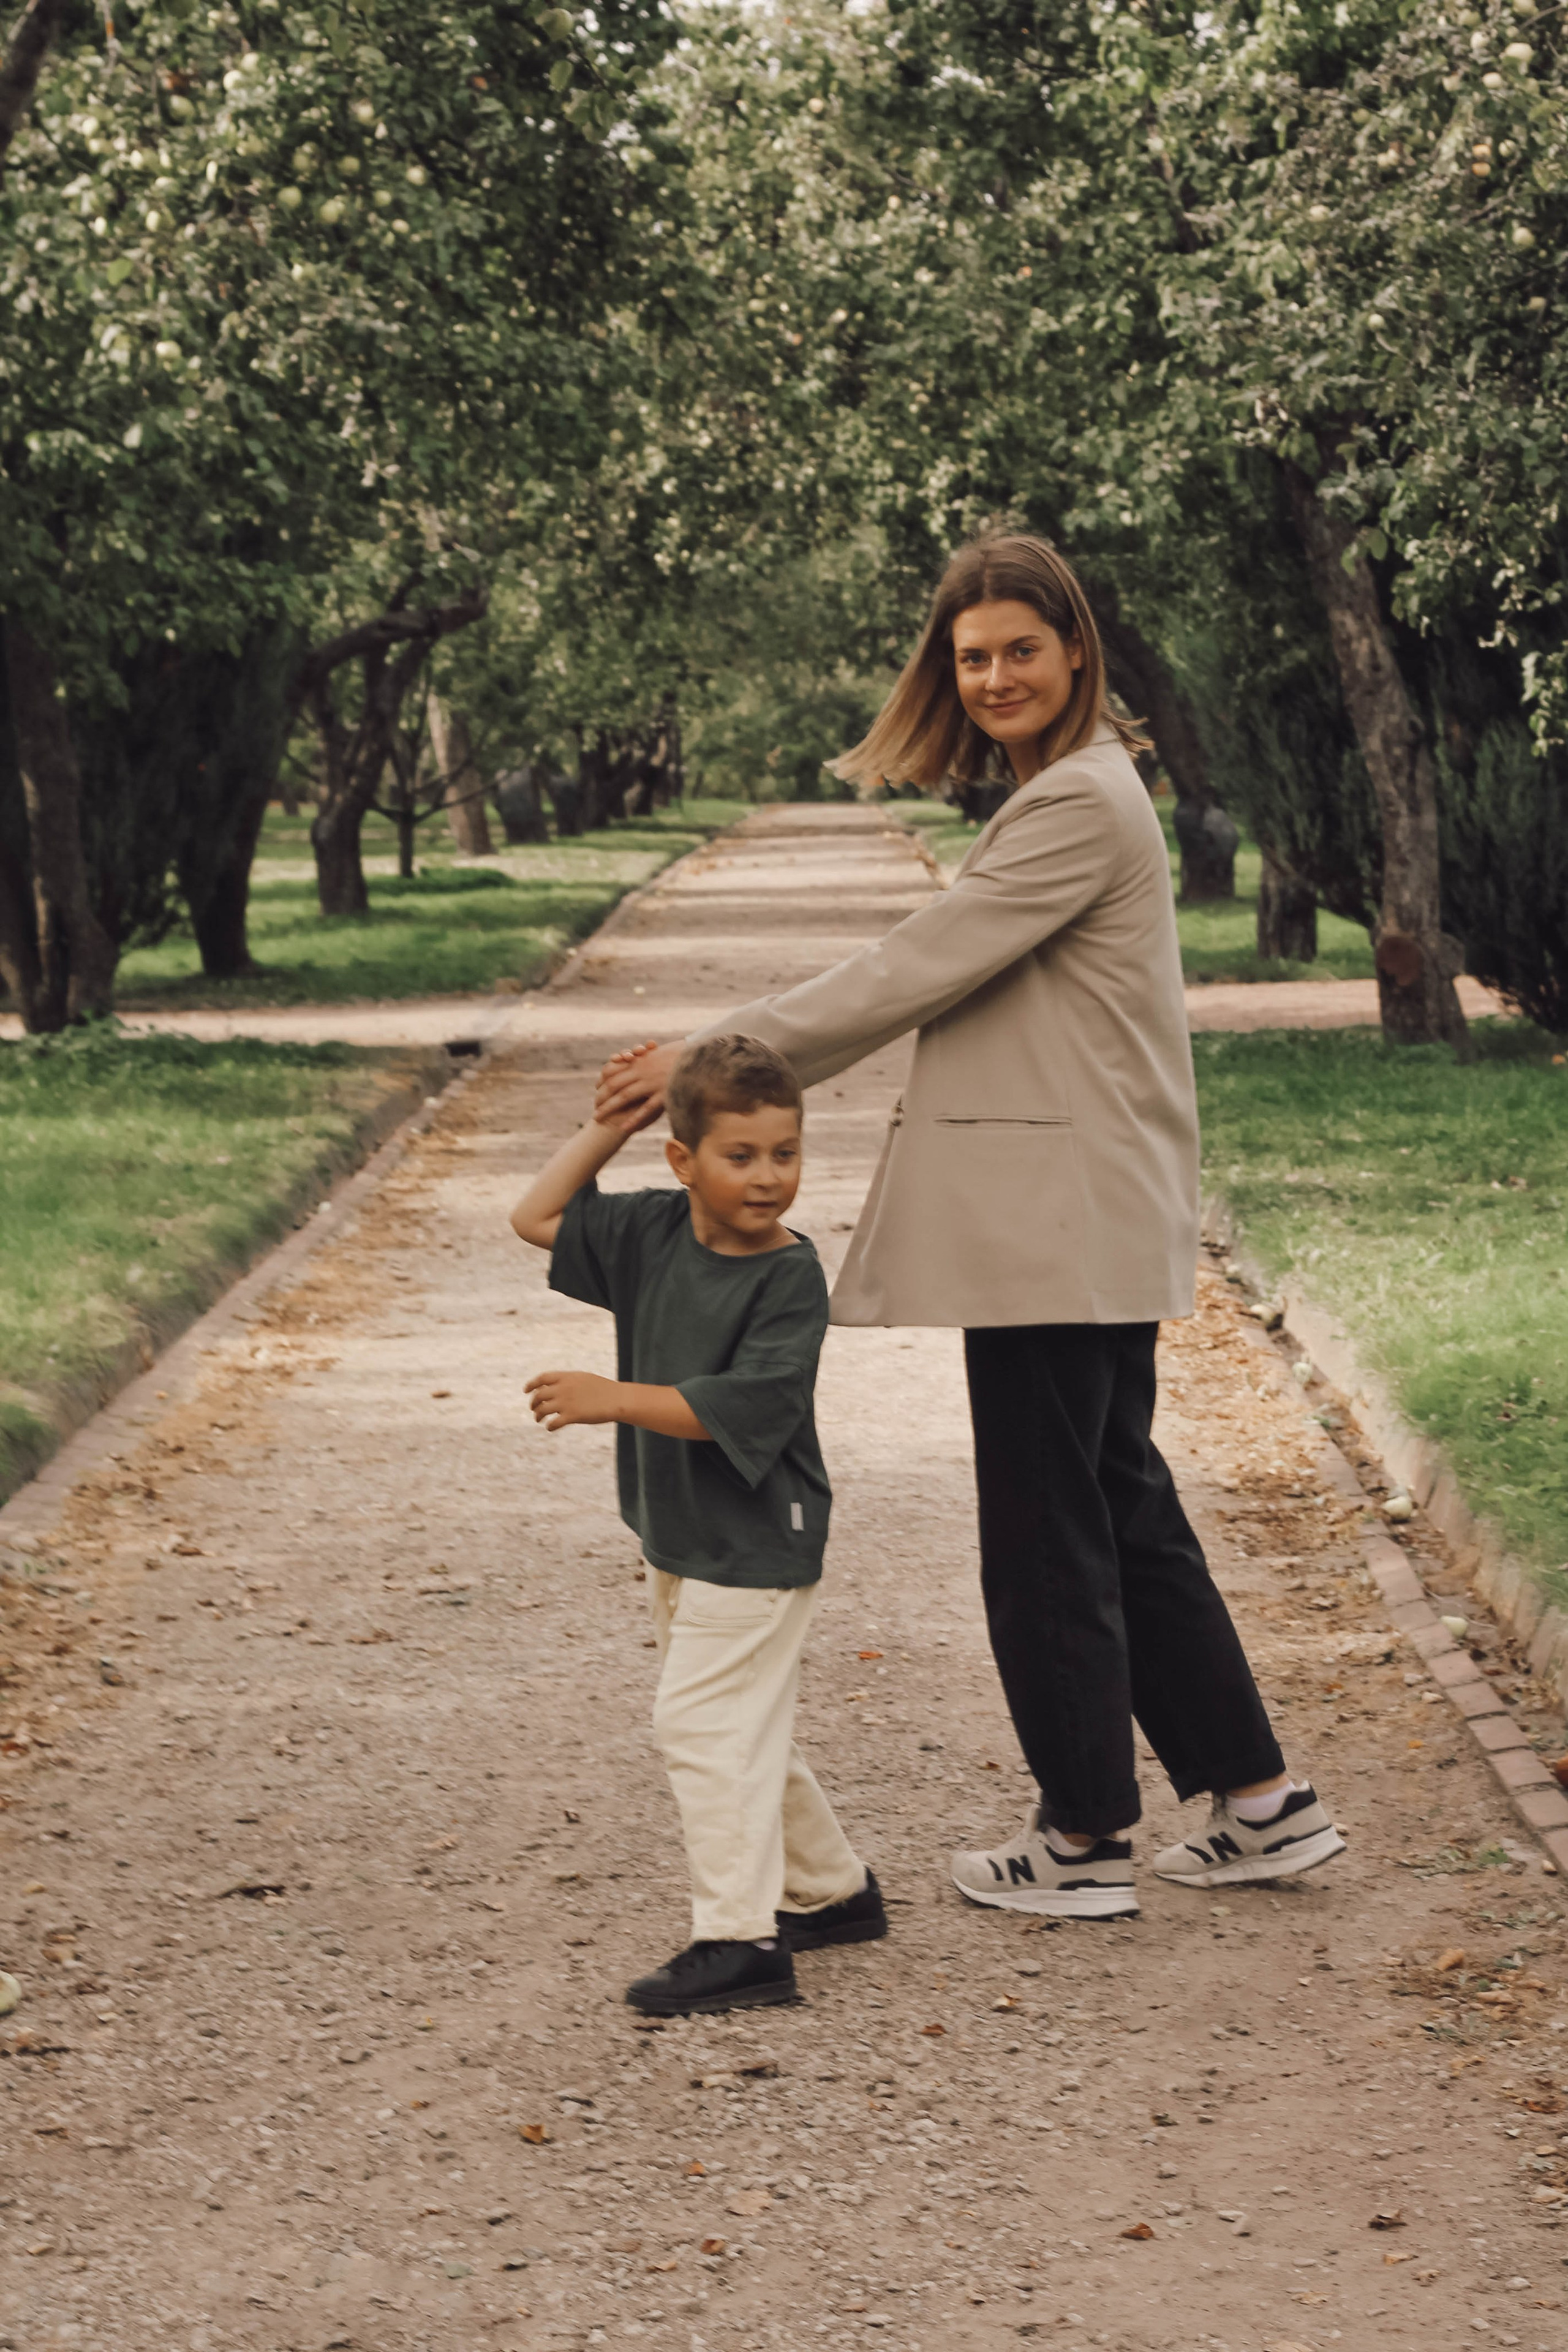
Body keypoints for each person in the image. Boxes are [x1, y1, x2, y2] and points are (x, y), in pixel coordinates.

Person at [594, 534, 1344, 1922]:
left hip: (1053, 1228)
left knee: (1049, 1529)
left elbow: (906, 973)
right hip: (1077, 1216)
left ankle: (1079, 1843)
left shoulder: (1074, 806)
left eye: (1018, 649)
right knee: (1119, 1508)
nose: (994, 676)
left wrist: (712, 1059)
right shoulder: (1080, 791)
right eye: (970, 657)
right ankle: (1260, 1804)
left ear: (1075, 653)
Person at [510, 1033, 885, 2014]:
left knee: (702, 1722)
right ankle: (833, 1892)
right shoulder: (648, 1233)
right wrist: (606, 1126)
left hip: (759, 1539)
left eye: (787, 1153)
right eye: (742, 1155)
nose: (770, 1178)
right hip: (680, 1533)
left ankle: (740, 1940)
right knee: (742, 1717)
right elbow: (536, 1213)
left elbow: (745, 1408)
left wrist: (614, 1396)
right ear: (682, 1162)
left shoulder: (789, 1278)